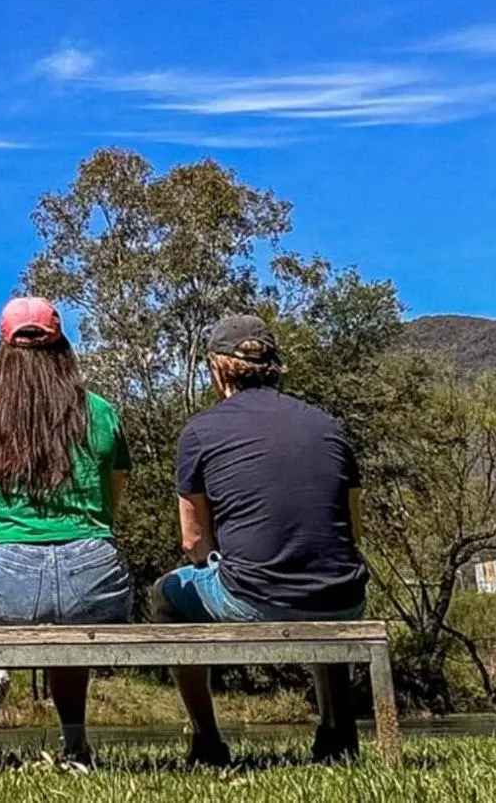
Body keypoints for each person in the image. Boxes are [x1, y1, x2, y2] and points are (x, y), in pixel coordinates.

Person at [155, 315, 370, 766]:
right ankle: (337, 733)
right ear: (274, 366)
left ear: (217, 369)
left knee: (165, 597)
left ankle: (207, 741)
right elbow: (352, 532)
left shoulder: (200, 432)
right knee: (324, 582)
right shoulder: (330, 426)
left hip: (253, 596)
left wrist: (220, 560)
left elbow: (192, 541)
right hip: (345, 596)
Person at [0, 296, 132, 766]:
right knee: (71, 629)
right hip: (93, 572)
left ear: (2, 352)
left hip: (11, 576)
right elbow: (110, 500)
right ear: (62, 348)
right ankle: (75, 745)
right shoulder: (99, 412)